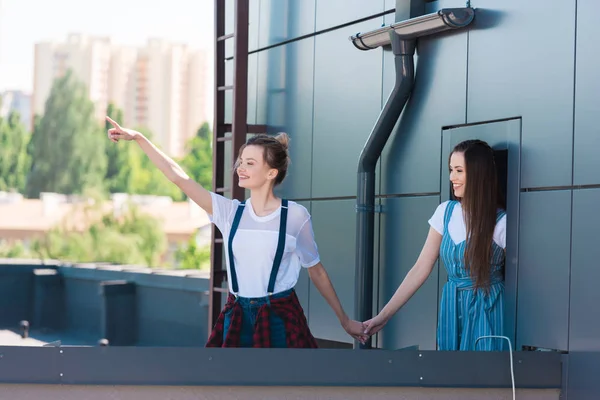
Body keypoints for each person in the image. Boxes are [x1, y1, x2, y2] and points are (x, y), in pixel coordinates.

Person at [105, 117, 366, 348]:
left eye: (250, 163)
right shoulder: (230, 212)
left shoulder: (295, 216)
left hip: (280, 316)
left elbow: (316, 269)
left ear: (271, 172)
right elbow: (179, 178)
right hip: (237, 314)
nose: (240, 167)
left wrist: (344, 320)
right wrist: (139, 138)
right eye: (241, 161)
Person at [363, 139, 507, 351]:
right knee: (448, 374)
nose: (452, 178)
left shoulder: (502, 222)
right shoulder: (445, 212)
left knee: (484, 376)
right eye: (451, 170)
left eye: (459, 170)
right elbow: (420, 268)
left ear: (478, 175)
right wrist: (383, 317)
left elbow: (528, 280)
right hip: (451, 307)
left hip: (489, 310)